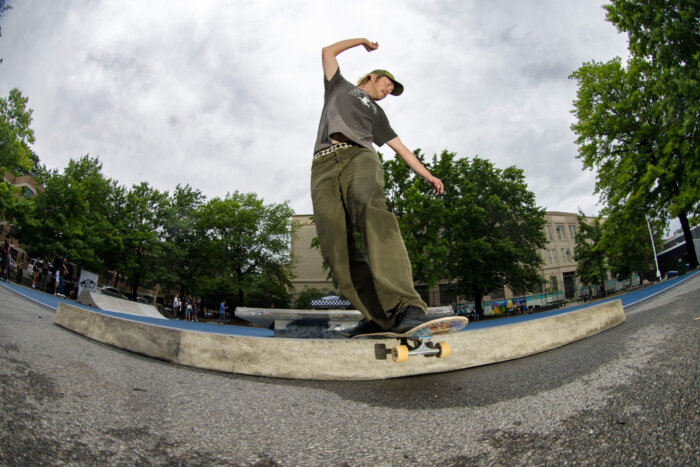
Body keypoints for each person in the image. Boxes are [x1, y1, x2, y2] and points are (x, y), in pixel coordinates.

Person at [311, 38, 444, 337]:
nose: (388, 91)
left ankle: (407, 305)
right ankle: (380, 317)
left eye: (392, 91)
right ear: (373, 77)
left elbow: (401, 148)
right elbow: (327, 52)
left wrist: (428, 175)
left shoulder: (378, 114)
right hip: (322, 166)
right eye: (387, 85)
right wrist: (361, 42)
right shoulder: (339, 86)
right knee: (335, 242)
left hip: (359, 156)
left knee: (371, 209)